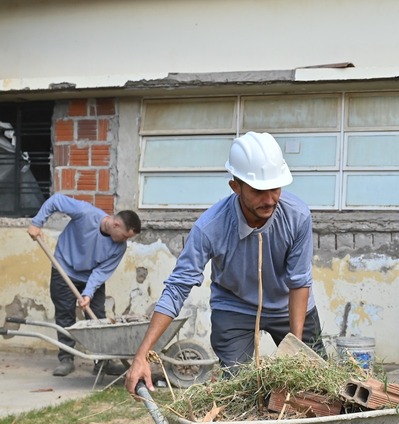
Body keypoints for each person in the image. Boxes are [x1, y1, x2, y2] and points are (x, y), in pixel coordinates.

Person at [125, 131, 322, 395]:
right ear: (236, 187)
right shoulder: (210, 228)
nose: (270, 200)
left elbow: (299, 281)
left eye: (275, 188)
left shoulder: (297, 216)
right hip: (235, 308)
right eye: (258, 191)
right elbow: (177, 288)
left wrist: (298, 349)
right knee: (241, 392)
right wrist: (142, 354)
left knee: (316, 385)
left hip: (289, 306)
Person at [27, 195, 142, 377]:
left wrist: (88, 293)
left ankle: (102, 362)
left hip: (90, 276)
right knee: (65, 314)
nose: (124, 240)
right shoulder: (85, 213)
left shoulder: (119, 248)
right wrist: (37, 222)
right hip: (64, 268)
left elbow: (101, 273)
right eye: (125, 236)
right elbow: (55, 200)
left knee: (97, 317)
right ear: (116, 225)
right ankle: (66, 359)